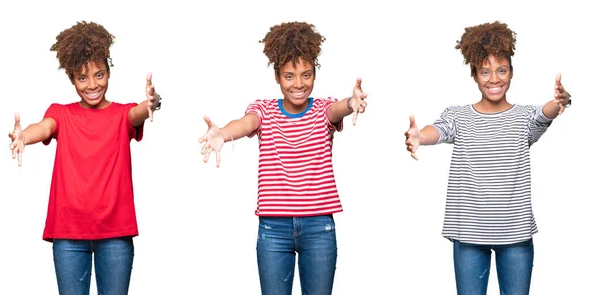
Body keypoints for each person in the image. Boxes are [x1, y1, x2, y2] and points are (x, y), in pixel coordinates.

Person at [198, 21, 368, 295]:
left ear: (315, 74)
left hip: (319, 227)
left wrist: (351, 102)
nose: (298, 84)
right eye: (289, 76)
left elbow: (339, 109)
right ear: (277, 76)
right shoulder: (264, 110)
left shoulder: (322, 109)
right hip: (273, 229)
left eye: (306, 75)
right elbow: (245, 123)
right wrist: (223, 134)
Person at [404, 21, 571, 294]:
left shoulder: (523, 118)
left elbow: (547, 111)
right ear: (474, 75)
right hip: (469, 235)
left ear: (512, 72)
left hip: (515, 236)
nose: (494, 79)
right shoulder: (459, 115)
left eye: (501, 70)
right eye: (485, 72)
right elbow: (438, 131)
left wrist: (562, 100)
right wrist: (419, 137)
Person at [8, 21, 161, 295]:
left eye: (99, 75)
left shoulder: (121, 114)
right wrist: (24, 137)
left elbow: (137, 113)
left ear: (109, 72)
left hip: (115, 234)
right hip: (68, 235)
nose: (92, 85)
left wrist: (152, 103)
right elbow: (44, 127)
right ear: (72, 79)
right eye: (82, 78)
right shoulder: (61, 114)